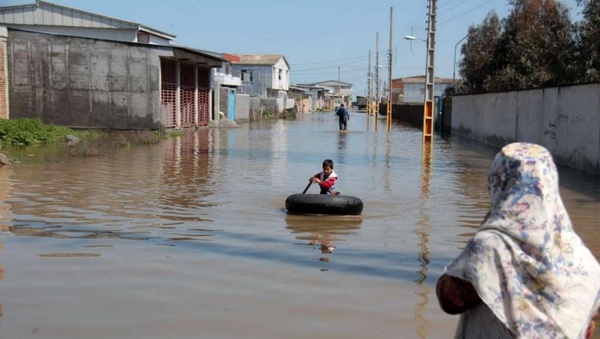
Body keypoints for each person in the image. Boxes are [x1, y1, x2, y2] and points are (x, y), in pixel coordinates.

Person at [436, 142, 600, 339]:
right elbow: (588, 328)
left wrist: (487, 226)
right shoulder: (584, 261)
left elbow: (450, 301)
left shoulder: (490, 247)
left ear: (499, 183)